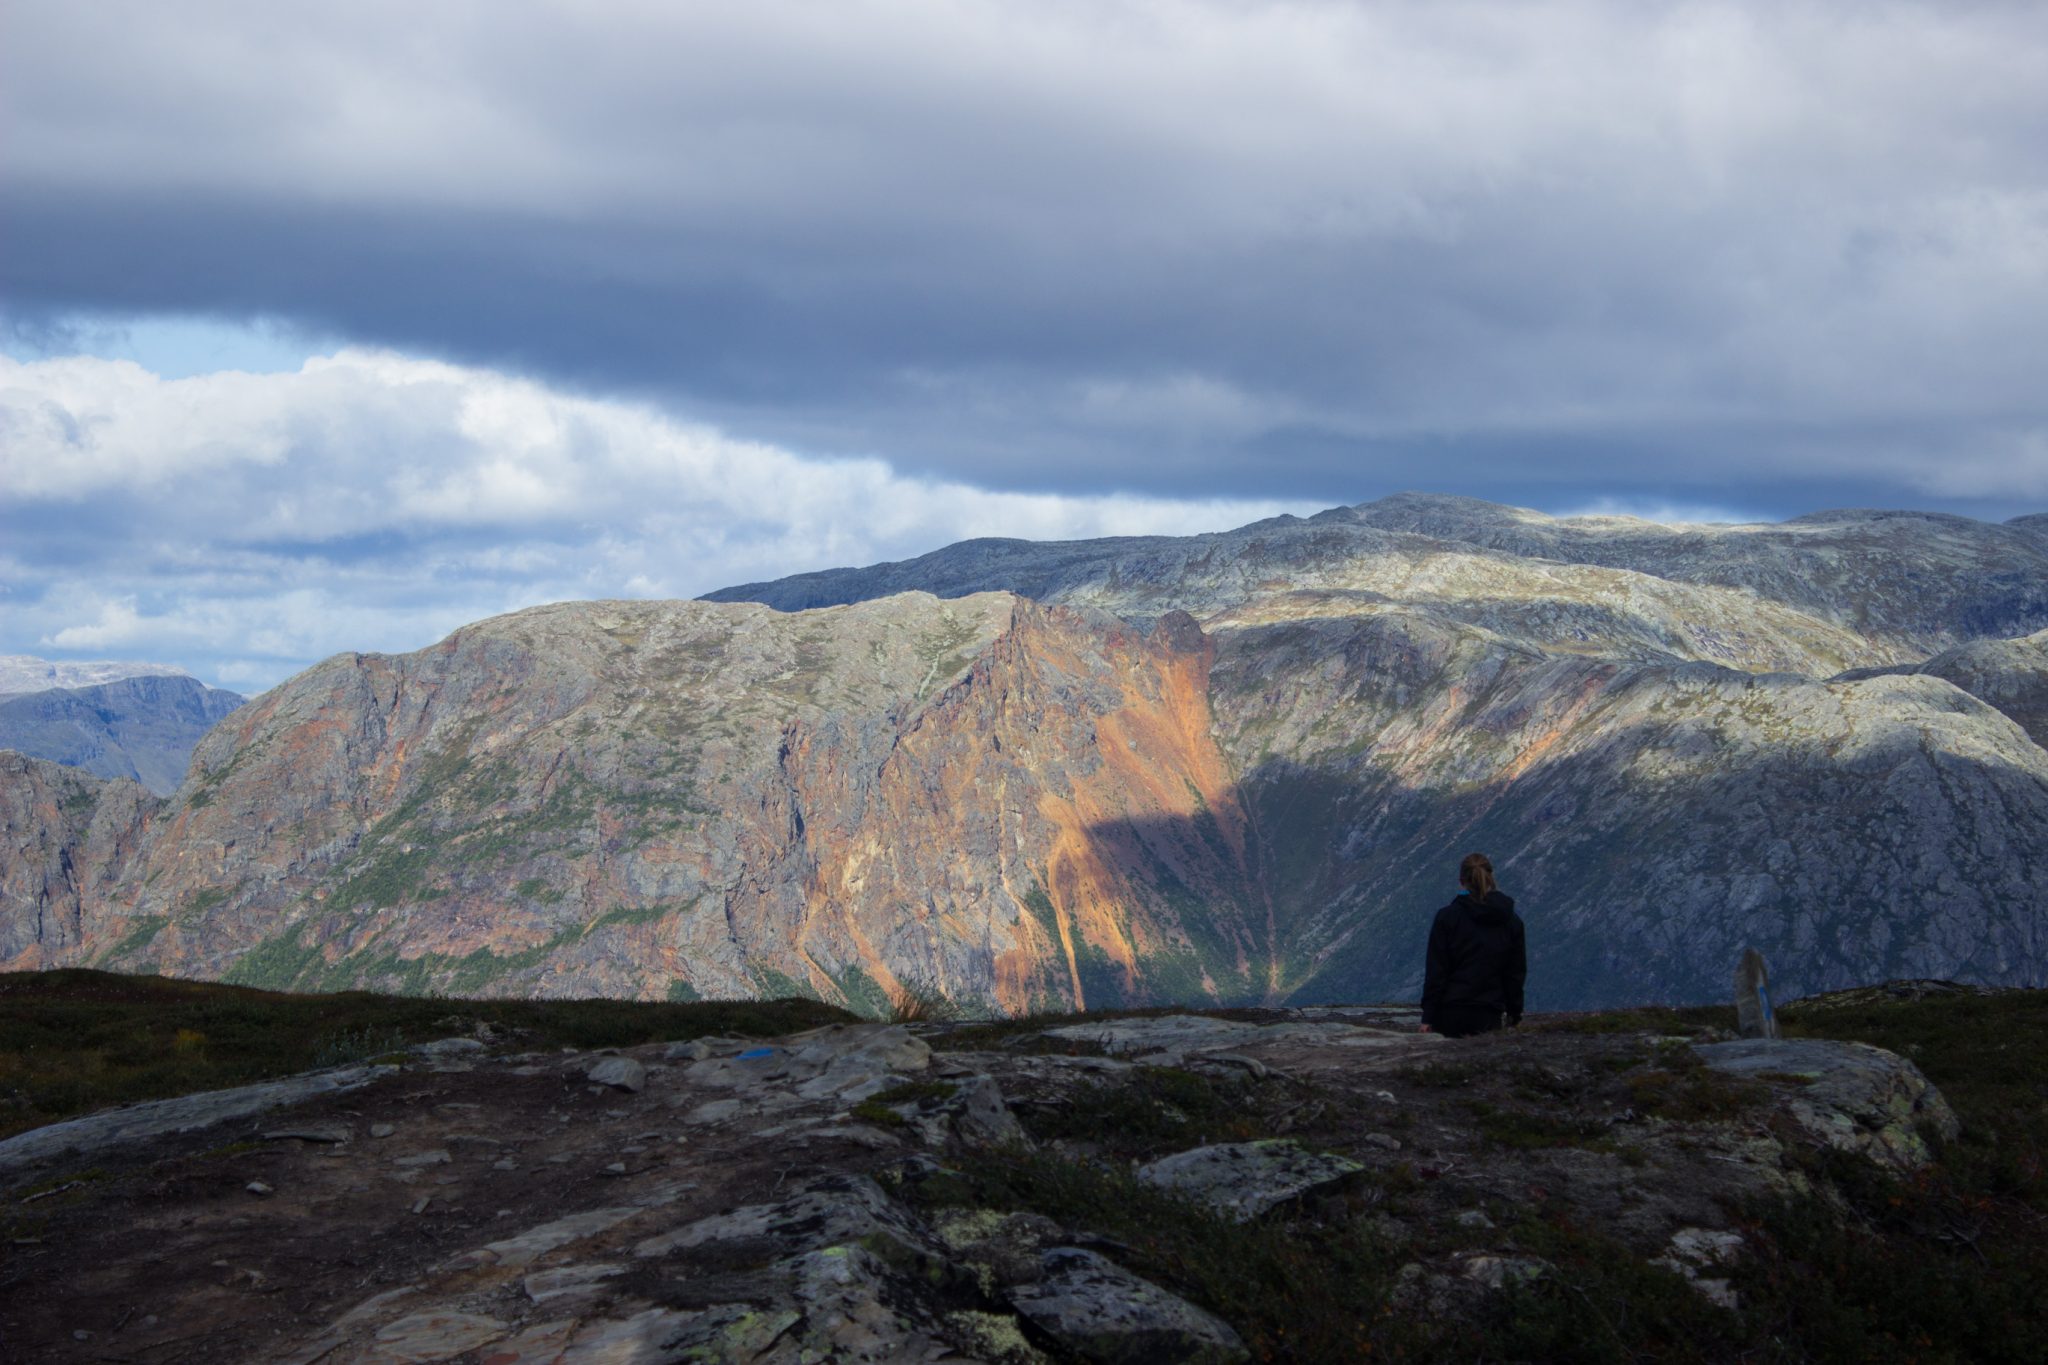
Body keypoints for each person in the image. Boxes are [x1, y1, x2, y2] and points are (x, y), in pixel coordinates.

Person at [1419, 852, 1526, 1038]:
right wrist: (1514, 1014)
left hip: (1449, 1012)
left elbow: (1437, 971)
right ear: (1491, 878)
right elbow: (1515, 973)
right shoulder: (1511, 921)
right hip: (1489, 1012)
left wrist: (1427, 1017)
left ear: (1462, 881)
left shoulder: (1447, 917)